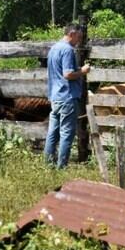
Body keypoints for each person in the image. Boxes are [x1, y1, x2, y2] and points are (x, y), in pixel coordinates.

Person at [44, 24, 91, 169]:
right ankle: (61, 166)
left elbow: (59, 72)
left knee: (53, 132)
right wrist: (83, 71)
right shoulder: (68, 50)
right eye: (79, 37)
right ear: (72, 34)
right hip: (67, 97)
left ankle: (47, 164)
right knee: (66, 133)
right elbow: (68, 74)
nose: (79, 40)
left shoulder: (54, 48)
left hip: (55, 96)